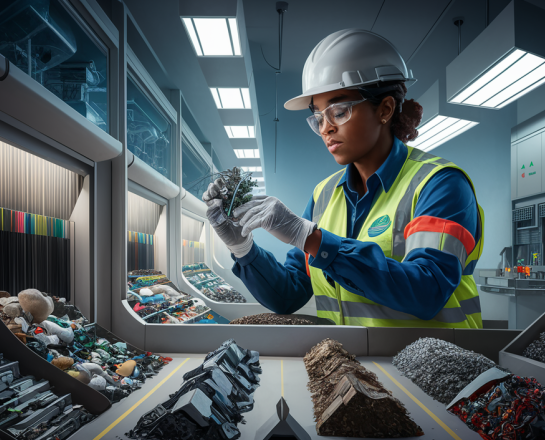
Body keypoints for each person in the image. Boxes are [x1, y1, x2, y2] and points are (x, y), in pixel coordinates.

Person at [203, 29, 485, 327]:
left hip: (432, 369)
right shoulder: (324, 194)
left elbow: (427, 290)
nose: (326, 128)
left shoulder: (440, 184)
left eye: (338, 111)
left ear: (385, 109)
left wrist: (312, 238)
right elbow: (288, 295)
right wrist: (244, 249)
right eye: (318, 117)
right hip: (346, 368)